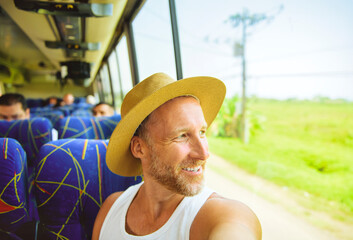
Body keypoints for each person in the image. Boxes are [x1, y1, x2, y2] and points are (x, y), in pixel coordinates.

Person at [92, 73, 262, 240]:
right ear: (139, 148)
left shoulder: (221, 214)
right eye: (181, 135)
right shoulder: (111, 208)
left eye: (202, 132)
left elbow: (236, 230)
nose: (204, 153)